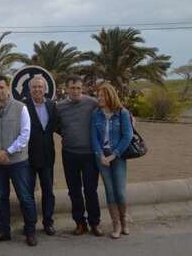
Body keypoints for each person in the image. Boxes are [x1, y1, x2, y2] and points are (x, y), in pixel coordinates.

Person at [0, 75, 38, 247]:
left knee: (25, 197)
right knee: (1, 197)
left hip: (18, 162)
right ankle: (4, 231)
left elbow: (25, 134)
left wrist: (8, 151)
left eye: (1, 87)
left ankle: (30, 232)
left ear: (8, 88)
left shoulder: (21, 108)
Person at [57, 75, 103, 236]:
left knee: (91, 190)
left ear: (82, 88)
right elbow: (56, 125)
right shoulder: (60, 106)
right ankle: (80, 223)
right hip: (69, 154)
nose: (75, 91)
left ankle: (95, 222)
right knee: (74, 191)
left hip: (89, 155)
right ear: (67, 89)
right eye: (72, 88)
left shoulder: (92, 103)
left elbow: (108, 112)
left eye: (78, 88)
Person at [91, 83, 133, 239]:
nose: (99, 98)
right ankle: (115, 224)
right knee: (109, 191)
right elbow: (93, 137)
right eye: (98, 95)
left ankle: (124, 222)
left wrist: (114, 155)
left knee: (120, 192)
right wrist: (100, 155)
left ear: (110, 96)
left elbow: (127, 136)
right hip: (102, 157)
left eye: (102, 95)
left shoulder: (122, 113)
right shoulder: (96, 114)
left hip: (118, 157)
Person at [23, 75, 59, 236]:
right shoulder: (22, 107)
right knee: (28, 193)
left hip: (47, 156)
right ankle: (29, 224)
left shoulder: (52, 106)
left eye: (40, 87)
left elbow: (60, 127)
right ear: (29, 90)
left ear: (45, 89)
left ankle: (48, 222)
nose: (37, 89)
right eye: (34, 87)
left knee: (48, 192)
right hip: (28, 157)